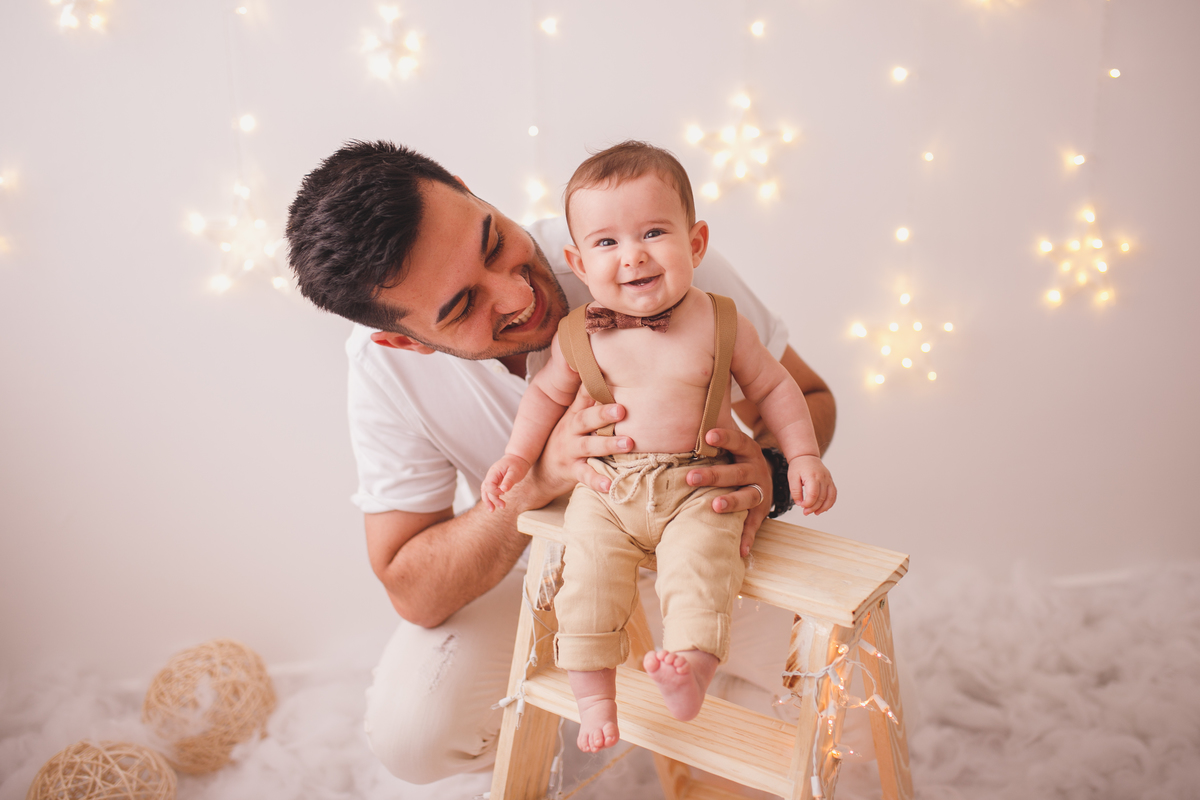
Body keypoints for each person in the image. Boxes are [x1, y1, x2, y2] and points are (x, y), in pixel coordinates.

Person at [285, 140, 837, 784]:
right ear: (402, 340)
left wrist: (769, 472)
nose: (518, 294)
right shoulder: (382, 374)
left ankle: (677, 679)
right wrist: (536, 480)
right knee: (414, 734)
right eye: (464, 305)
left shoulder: (634, 239)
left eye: (493, 245)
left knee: (831, 707)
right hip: (550, 568)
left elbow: (810, 398)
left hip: (697, 533)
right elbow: (410, 584)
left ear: (469, 189)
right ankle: (597, 689)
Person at [480, 142, 835, 752]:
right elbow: (541, 400)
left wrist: (799, 458)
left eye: (653, 232)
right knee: (584, 582)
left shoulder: (720, 320)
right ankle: (595, 699)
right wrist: (517, 458)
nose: (633, 255)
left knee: (702, 569)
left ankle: (691, 667)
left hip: (698, 487)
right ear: (579, 261)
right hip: (609, 492)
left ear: (695, 244)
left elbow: (777, 388)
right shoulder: (579, 333)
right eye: (607, 242)